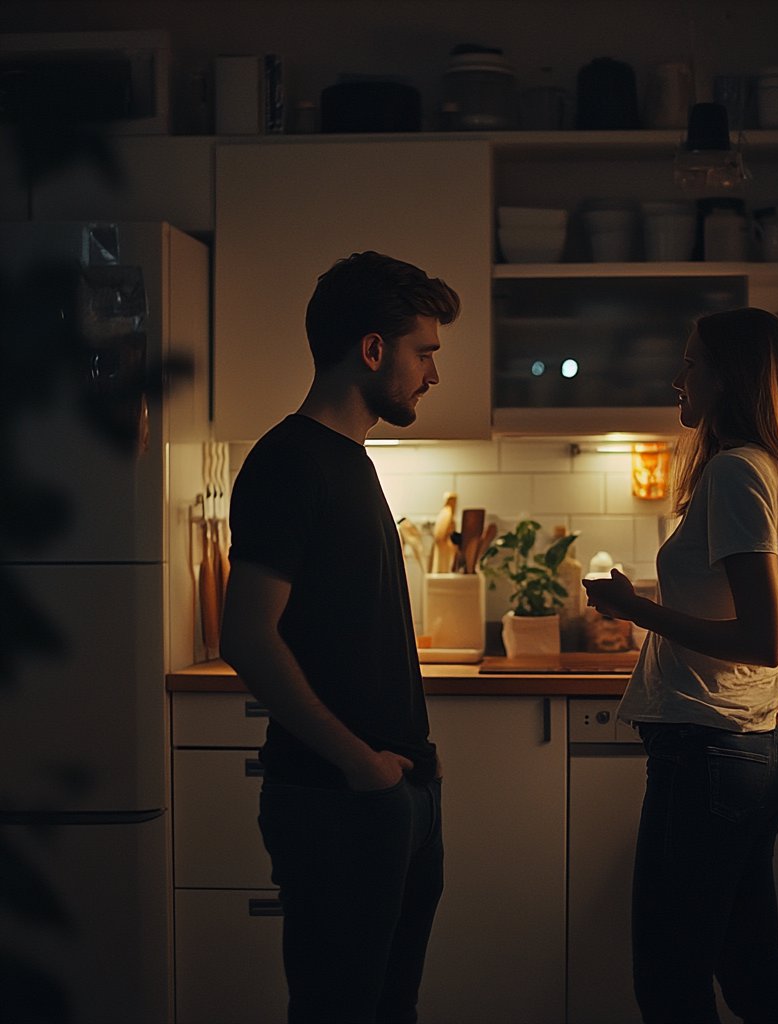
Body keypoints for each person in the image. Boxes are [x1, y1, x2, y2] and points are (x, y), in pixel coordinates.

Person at [582, 307, 778, 1024]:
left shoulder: (737, 474)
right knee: (753, 979)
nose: (677, 379)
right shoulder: (776, 471)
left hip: (708, 755)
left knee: (668, 984)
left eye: (692, 364)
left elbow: (762, 640)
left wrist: (635, 609)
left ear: (734, 378)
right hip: (746, 752)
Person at [219, 251, 460, 1024]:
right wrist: (363, 764)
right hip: (339, 802)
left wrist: (411, 763)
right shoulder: (289, 463)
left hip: (395, 796)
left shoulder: (350, 462)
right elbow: (248, 637)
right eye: (423, 353)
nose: (431, 374)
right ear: (372, 349)